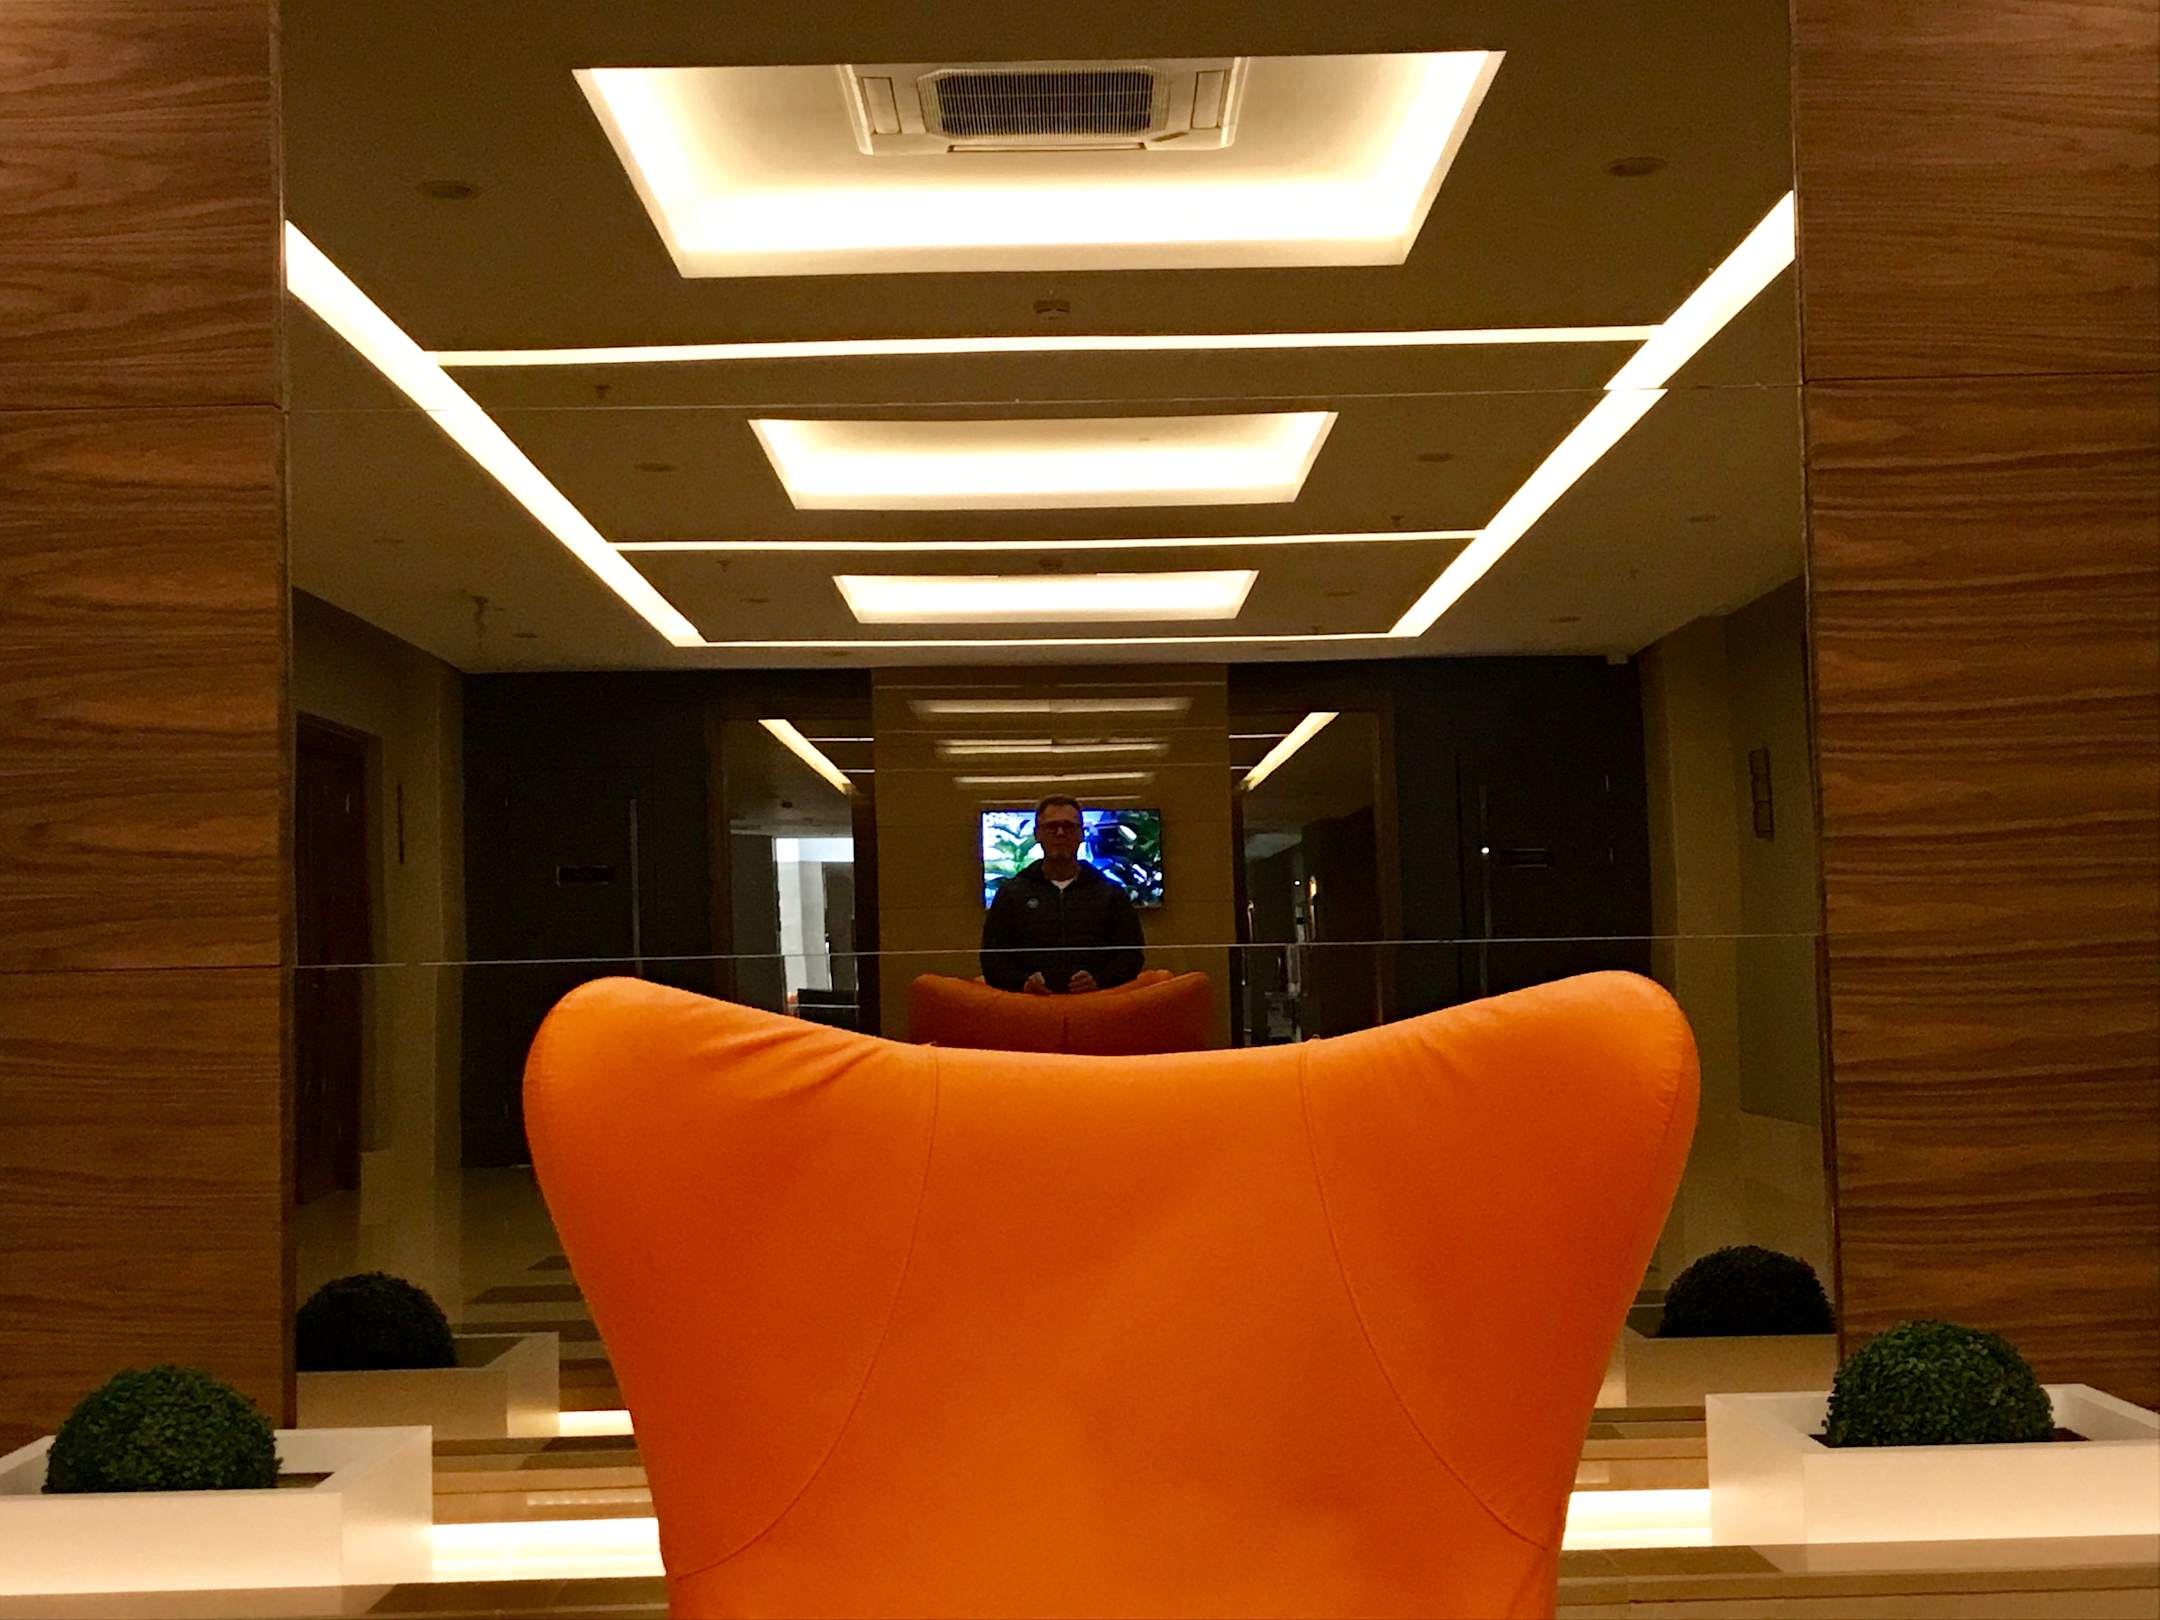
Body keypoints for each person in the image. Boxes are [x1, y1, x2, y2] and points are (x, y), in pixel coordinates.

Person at [981, 795, 1146, 994]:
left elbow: (1131, 957)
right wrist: (1022, 983)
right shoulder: (1011, 894)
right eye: (1051, 826)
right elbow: (992, 959)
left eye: (1068, 826)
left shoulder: (1111, 894)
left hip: (1096, 1004)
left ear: (1081, 834)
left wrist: (1100, 981)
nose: (1060, 833)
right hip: (1030, 1006)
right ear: (1037, 834)